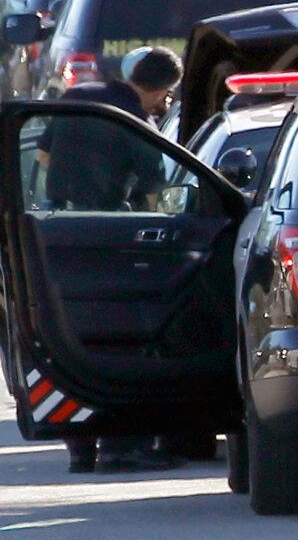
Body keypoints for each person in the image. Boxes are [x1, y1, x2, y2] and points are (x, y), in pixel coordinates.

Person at [36, 46, 184, 473]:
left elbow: (43, 156)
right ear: (161, 90)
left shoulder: (75, 97)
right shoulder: (135, 120)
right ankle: (125, 448)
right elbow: (156, 191)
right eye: (165, 98)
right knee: (124, 341)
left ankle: (80, 448)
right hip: (110, 237)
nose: (163, 105)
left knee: (69, 341)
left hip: (55, 232)